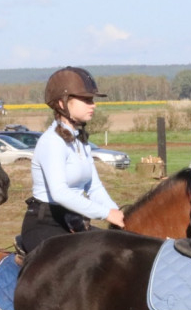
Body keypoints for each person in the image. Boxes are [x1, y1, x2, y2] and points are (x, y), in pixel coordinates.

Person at [18, 67, 125, 253]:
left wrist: (118, 214)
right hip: (44, 225)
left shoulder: (80, 140)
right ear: (62, 103)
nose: (93, 105)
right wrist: (106, 214)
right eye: (86, 100)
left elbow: (94, 187)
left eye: (92, 100)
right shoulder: (52, 142)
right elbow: (59, 193)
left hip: (73, 221)